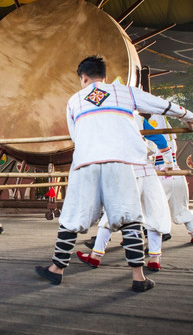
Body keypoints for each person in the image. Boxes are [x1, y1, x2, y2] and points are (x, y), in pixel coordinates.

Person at [34, 56, 193, 292]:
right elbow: (161, 105)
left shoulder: (74, 100)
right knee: (130, 217)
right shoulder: (125, 92)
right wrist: (191, 118)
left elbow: (75, 137)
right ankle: (138, 277)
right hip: (120, 162)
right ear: (104, 75)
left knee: (72, 215)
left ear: (83, 78)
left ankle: (57, 269)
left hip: (86, 162)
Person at [76, 114, 172, 272]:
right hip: (147, 171)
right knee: (154, 212)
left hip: (126, 172)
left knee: (111, 212)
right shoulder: (137, 117)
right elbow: (160, 140)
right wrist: (169, 163)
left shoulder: (104, 118)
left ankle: (95, 256)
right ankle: (154, 258)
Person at [149, 114, 193, 245]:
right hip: (177, 173)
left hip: (160, 175)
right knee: (182, 207)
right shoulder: (172, 142)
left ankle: (156, 241)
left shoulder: (151, 141)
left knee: (155, 209)